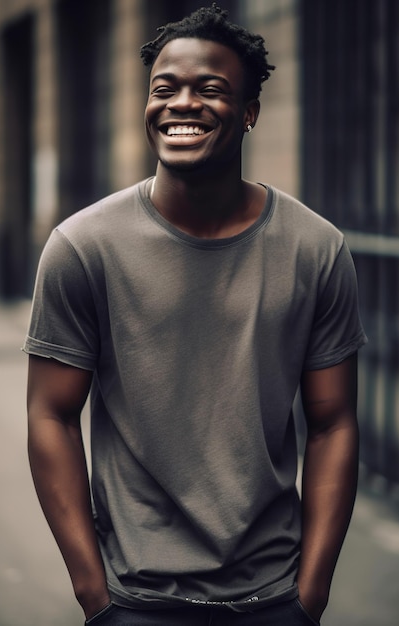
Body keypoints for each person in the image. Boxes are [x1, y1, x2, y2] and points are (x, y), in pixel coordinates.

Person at [24, 4, 367, 625]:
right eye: (165, 88)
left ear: (250, 113)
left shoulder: (316, 248)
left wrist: (310, 597)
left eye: (210, 88)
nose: (182, 103)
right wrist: (94, 597)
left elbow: (334, 423)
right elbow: (50, 414)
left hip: (274, 597)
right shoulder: (82, 247)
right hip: (134, 600)